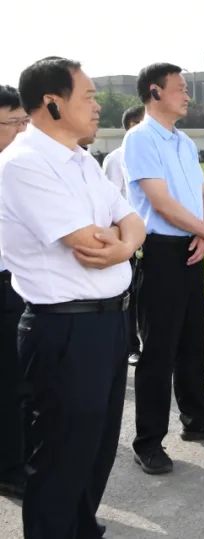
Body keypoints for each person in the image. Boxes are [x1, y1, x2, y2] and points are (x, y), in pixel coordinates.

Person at [0, 56, 146, 538]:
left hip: (109, 323)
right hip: (64, 327)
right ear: (52, 103)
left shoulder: (83, 161)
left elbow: (132, 222)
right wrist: (121, 243)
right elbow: (86, 241)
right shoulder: (22, 164)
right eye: (88, 96)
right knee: (61, 458)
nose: (98, 106)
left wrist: (121, 246)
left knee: (96, 451)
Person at [125, 62, 204, 476]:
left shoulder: (183, 141)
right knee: (159, 350)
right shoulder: (140, 138)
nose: (188, 96)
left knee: (193, 341)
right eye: (181, 88)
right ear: (155, 92)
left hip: (192, 246)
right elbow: (160, 202)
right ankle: (148, 441)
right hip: (160, 252)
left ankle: (196, 417)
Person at [0, 84, 28, 501]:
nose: (23, 130)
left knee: (18, 382)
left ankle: (14, 463)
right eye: (13, 123)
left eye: (25, 121)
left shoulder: (19, 169)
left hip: (18, 285)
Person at [102, 104, 146, 366]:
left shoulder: (153, 156)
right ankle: (131, 346)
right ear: (132, 125)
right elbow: (111, 203)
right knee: (130, 294)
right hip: (128, 238)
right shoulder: (116, 158)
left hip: (151, 236)